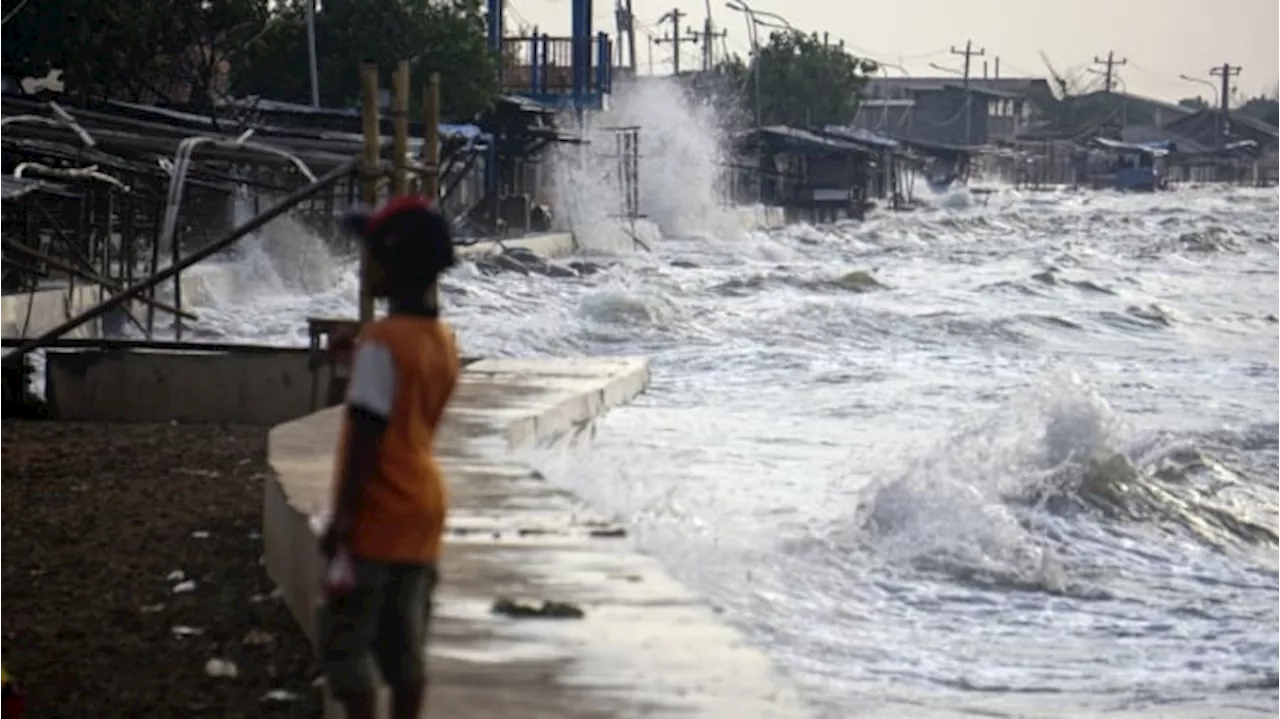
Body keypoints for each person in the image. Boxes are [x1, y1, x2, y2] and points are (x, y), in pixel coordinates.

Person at [318, 195, 461, 719]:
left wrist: (343, 519)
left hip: (378, 510)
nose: (363, 264)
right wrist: (361, 355)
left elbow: (366, 433)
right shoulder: (441, 340)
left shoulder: (383, 341)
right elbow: (408, 391)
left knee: (345, 645)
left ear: (393, 265)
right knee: (406, 653)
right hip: (424, 508)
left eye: (371, 253)